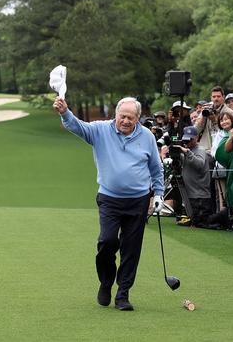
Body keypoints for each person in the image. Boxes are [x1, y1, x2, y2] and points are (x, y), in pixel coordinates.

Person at [53, 97, 164, 311]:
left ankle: (123, 294)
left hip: (138, 200)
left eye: (130, 118)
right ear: (116, 114)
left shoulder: (147, 136)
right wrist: (65, 112)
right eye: (122, 116)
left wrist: (158, 194)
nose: (125, 121)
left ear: (137, 118)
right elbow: (77, 126)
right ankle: (106, 282)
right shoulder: (100, 130)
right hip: (109, 198)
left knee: (131, 249)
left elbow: (156, 167)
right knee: (107, 242)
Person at [172, 126, 216, 228]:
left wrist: (187, 152)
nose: (189, 141)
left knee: (200, 223)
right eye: (187, 138)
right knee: (192, 220)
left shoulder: (200, 149)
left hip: (199, 195)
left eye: (191, 138)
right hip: (190, 193)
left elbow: (199, 164)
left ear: (196, 138)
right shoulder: (187, 150)